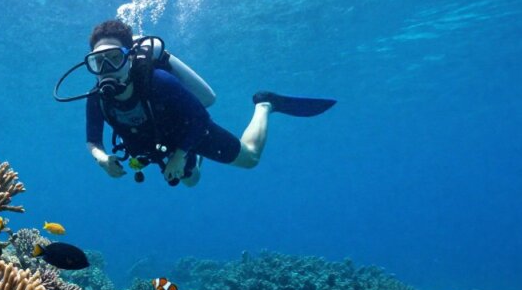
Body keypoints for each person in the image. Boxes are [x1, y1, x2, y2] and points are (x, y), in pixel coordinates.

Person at [81, 19, 335, 186]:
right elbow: (93, 139)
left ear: (128, 58)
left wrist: (180, 155)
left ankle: (264, 104)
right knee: (191, 182)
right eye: (97, 62)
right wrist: (101, 158)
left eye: (113, 58)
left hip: (190, 128)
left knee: (250, 159)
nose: (106, 69)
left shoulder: (159, 81)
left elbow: (201, 117)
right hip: (155, 143)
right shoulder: (96, 97)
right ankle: (192, 159)